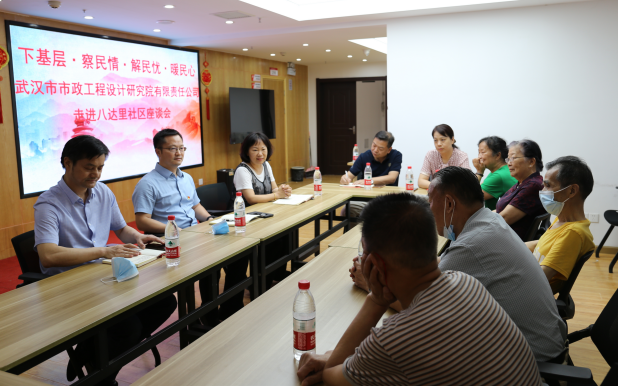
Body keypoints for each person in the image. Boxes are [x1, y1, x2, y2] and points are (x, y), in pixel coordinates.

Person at [299, 193, 541, 386]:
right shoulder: (466, 282)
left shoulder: (394, 341)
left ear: (375, 264)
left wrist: (376, 299)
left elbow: (331, 375)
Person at [350, 166, 567, 362]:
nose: (428, 209)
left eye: (430, 200)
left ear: (449, 203)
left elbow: (422, 308)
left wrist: (373, 286)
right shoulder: (490, 221)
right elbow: (441, 265)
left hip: (531, 357)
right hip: (546, 340)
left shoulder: (471, 245)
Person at [34, 135, 177, 384]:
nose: (96, 174)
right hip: (69, 287)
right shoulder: (49, 204)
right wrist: (103, 251)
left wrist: (139, 237)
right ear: (67, 163)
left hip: (103, 277)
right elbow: (48, 255)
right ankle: (101, 377)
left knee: (164, 303)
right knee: (128, 327)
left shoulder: (102, 191)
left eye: (100, 167)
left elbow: (121, 229)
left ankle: (92, 353)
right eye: (89, 167)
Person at [132, 129, 225, 323]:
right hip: (169, 241)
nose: (179, 153)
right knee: (205, 266)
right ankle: (198, 318)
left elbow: (196, 206)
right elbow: (142, 220)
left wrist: (209, 219)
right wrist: (174, 230)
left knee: (219, 259)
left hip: (194, 235)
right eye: (173, 148)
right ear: (158, 152)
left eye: (182, 148)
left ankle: (209, 312)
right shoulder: (147, 184)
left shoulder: (187, 178)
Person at [230, 133, 292, 302]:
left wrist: (282, 190)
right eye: (255, 149)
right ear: (246, 152)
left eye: (263, 149)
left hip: (265, 214)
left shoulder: (266, 165)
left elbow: (274, 189)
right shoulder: (243, 170)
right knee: (274, 241)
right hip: (247, 219)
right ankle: (260, 282)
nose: (260, 154)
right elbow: (251, 199)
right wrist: (277, 195)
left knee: (286, 234)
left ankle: (273, 274)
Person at [526, 156, 595, 294]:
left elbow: (540, 278)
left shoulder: (573, 233)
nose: (543, 190)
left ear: (572, 191)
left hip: (530, 295)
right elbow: (541, 244)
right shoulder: (562, 221)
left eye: (548, 185)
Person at [339, 131, 402, 218]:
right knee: (347, 210)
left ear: (389, 150)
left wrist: (368, 181)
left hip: (387, 199)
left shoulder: (396, 155)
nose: (375, 150)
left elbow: (392, 178)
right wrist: (344, 178)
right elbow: (349, 175)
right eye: (374, 145)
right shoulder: (364, 156)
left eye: (380, 148)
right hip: (365, 198)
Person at [497, 139, 547, 241]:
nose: (509, 163)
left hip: (510, 243)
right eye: (508, 159)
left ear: (531, 162)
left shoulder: (533, 186)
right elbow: (500, 210)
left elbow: (503, 219)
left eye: (513, 158)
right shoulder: (522, 183)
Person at [418, 124, 471, 189]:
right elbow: (421, 181)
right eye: (435, 140)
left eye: (442, 139)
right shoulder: (431, 155)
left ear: (452, 140)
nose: (439, 144)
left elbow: (467, 182)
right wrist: (440, 186)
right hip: (437, 193)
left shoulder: (462, 156)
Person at [472, 136, 518, 210]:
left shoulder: (499, 176)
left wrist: (479, 172)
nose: (479, 157)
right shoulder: (503, 170)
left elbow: (469, 198)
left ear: (497, 155)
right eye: (479, 152)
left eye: (482, 152)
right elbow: (478, 188)